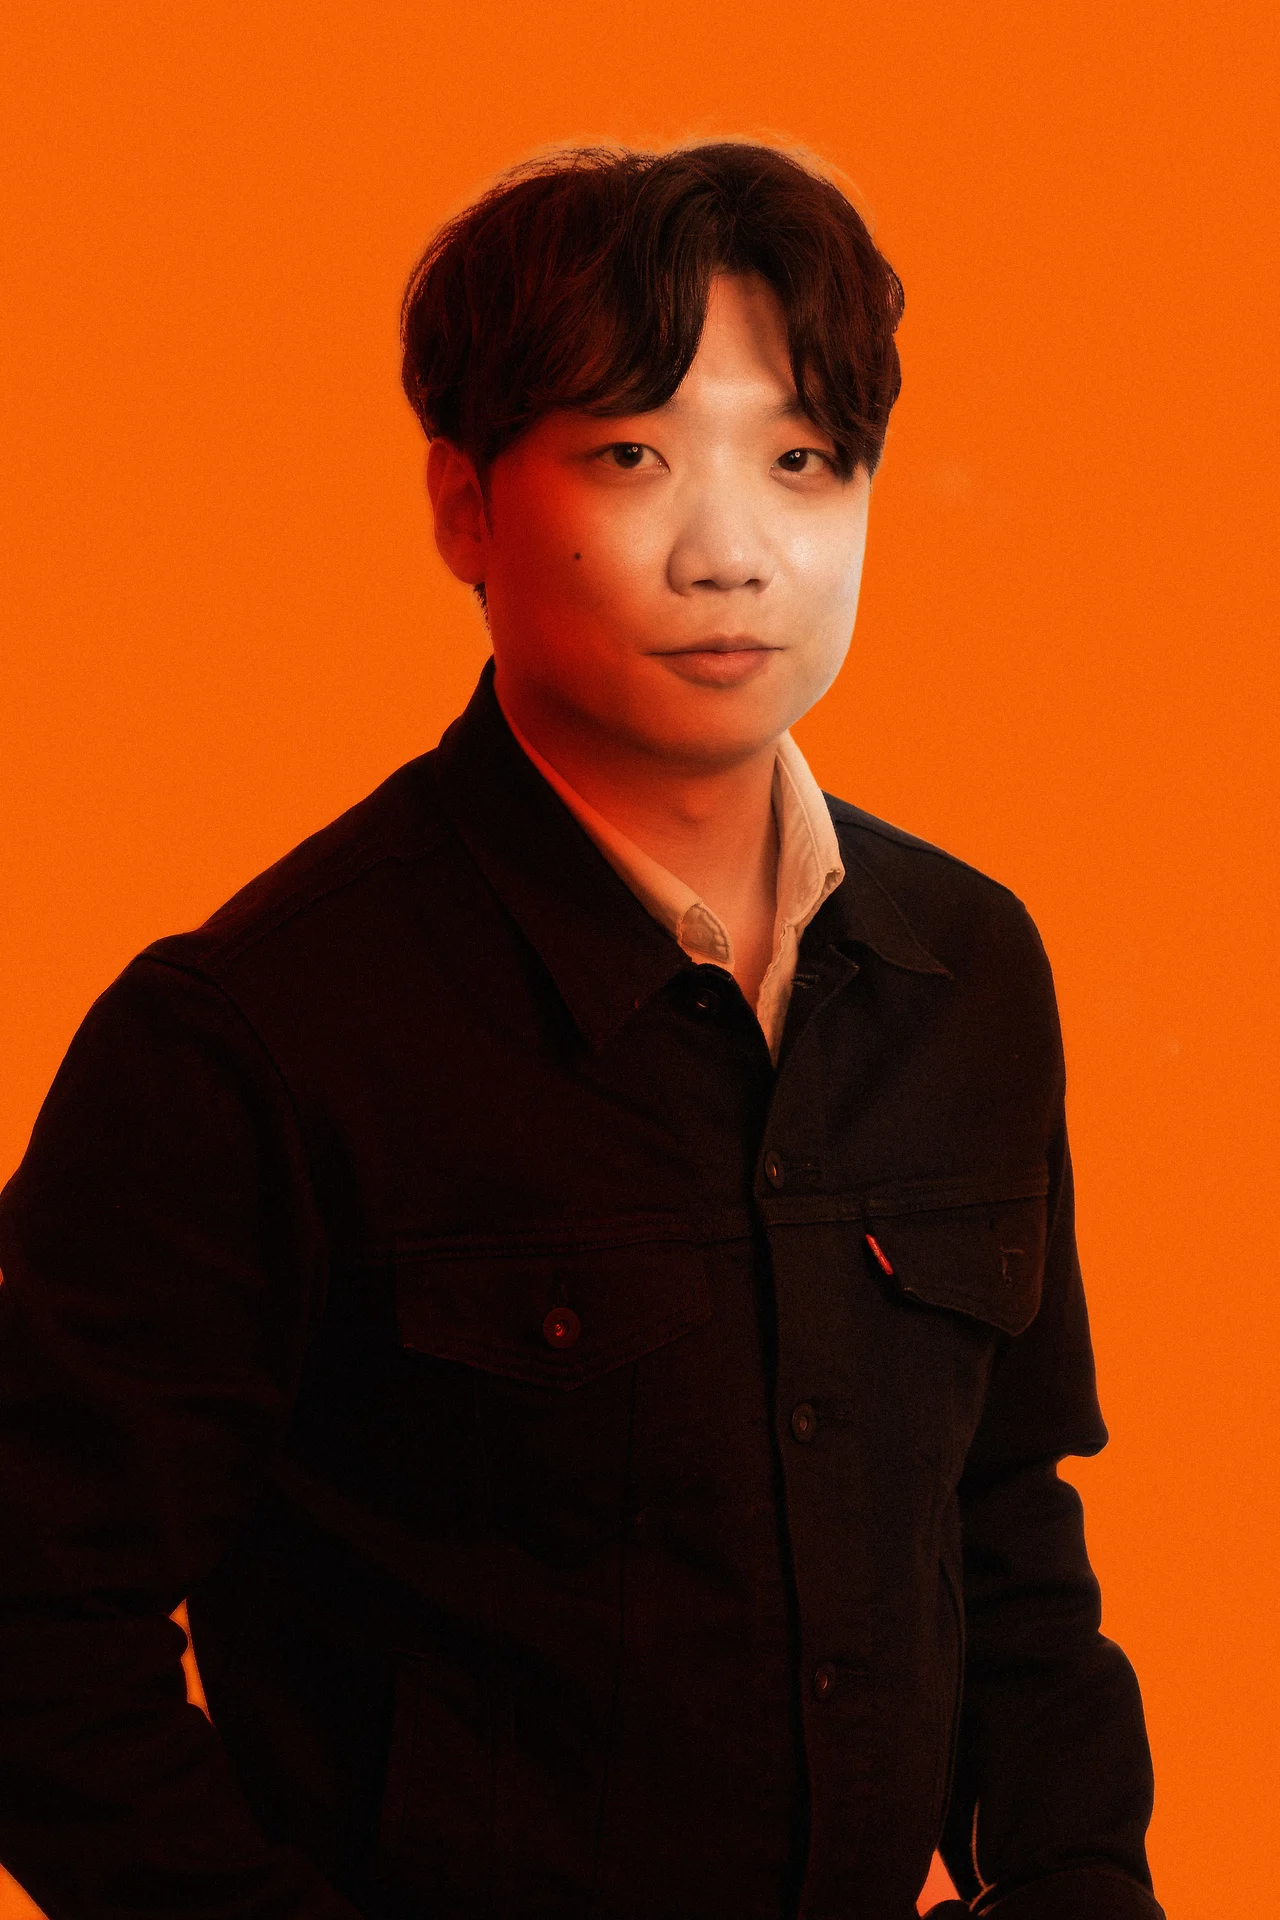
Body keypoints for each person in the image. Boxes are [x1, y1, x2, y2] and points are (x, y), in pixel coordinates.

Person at [0, 140, 1163, 1920]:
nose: (731, 553)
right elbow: (33, 1627)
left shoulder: (967, 964)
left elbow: (1003, 1525)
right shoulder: (247, 1038)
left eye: (802, 459)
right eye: (632, 456)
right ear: (464, 507)